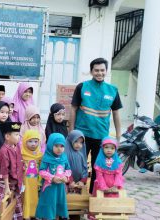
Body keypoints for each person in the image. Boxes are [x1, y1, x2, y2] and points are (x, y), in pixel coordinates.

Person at [70, 58, 122, 193]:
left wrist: (118, 136)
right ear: (91, 71)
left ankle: (94, 195)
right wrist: (71, 132)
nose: (99, 73)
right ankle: (74, 194)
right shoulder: (82, 87)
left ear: (106, 71)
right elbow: (73, 109)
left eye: (102, 70)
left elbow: (116, 114)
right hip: (82, 136)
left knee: (98, 167)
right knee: (77, 166)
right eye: (96, 70)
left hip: (101, 137)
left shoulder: (113, 90)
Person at [0, 122, 23, 220]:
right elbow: (4, 171)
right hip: (4, 183)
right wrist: (7, 188)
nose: (19, 137)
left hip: (14, 181)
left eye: (19, 134)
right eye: (16, 134)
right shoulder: (3, 151)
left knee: (16, 206)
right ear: (7, 136)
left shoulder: (16, 146)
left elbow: (18, 162)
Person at [36, 133, 71, 220]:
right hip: (49, 188)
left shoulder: (64, 157)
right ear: (51, 145)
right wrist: (52, 178)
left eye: (62, 146)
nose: (59, 149)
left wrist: (66, 176)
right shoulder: (46, 157)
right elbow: (41, 171)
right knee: (49, 206)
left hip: (60, 188)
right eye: (56, 146)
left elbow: (68, 169)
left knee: (58, 206)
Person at [21, 130, 43, 219]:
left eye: (36, 141)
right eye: (30, 141)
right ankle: (26, 214)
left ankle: (36, 214)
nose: (33, 144)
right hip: (25, 182)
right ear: (24, 141)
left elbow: (43, 168)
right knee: (26, 198)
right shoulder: (21, 154)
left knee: (35, 198)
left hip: (36, 182)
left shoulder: (40, 155)